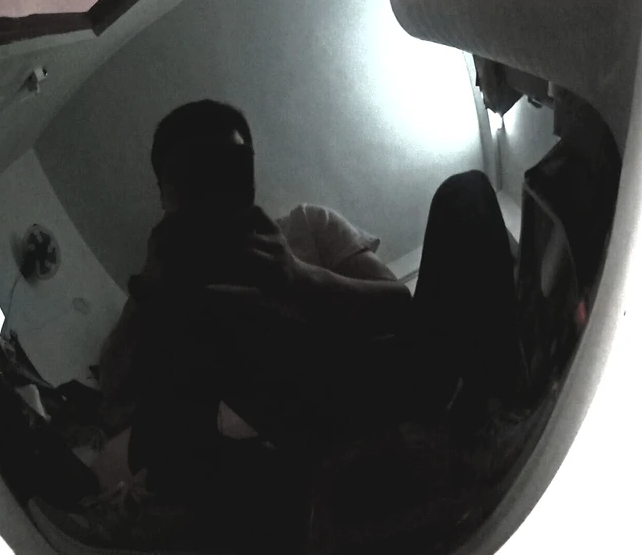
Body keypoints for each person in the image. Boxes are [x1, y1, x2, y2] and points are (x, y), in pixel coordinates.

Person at [97, 99, 524, 503]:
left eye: (226, 166)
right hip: (307, 428)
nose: (211, 187)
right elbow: (117, 402)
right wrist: (151, 291)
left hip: (397, 374)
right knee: (179, 383)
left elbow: (399, 305)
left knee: (464, 191)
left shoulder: (307, 222)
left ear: (249, 170)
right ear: (164, 194)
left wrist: (297, 277)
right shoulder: (166, 289)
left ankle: (503, 407)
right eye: (193, 174)